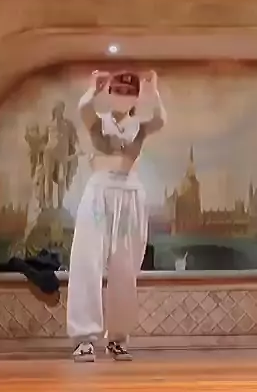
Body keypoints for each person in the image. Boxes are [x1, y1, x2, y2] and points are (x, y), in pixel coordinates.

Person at [66, 70, 166, 362]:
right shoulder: (98, 122)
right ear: (110, 95)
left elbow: (160, 120)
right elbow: (84, 108)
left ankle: (118, 338)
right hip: (99, 195)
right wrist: (93, 88)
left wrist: (153, 91)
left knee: (125, 268)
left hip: (130, 194)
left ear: (135, 98)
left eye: (128, 92)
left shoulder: (140, 127)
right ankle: (84, 338)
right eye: (118, 91)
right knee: (87, 262)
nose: (123, 97)